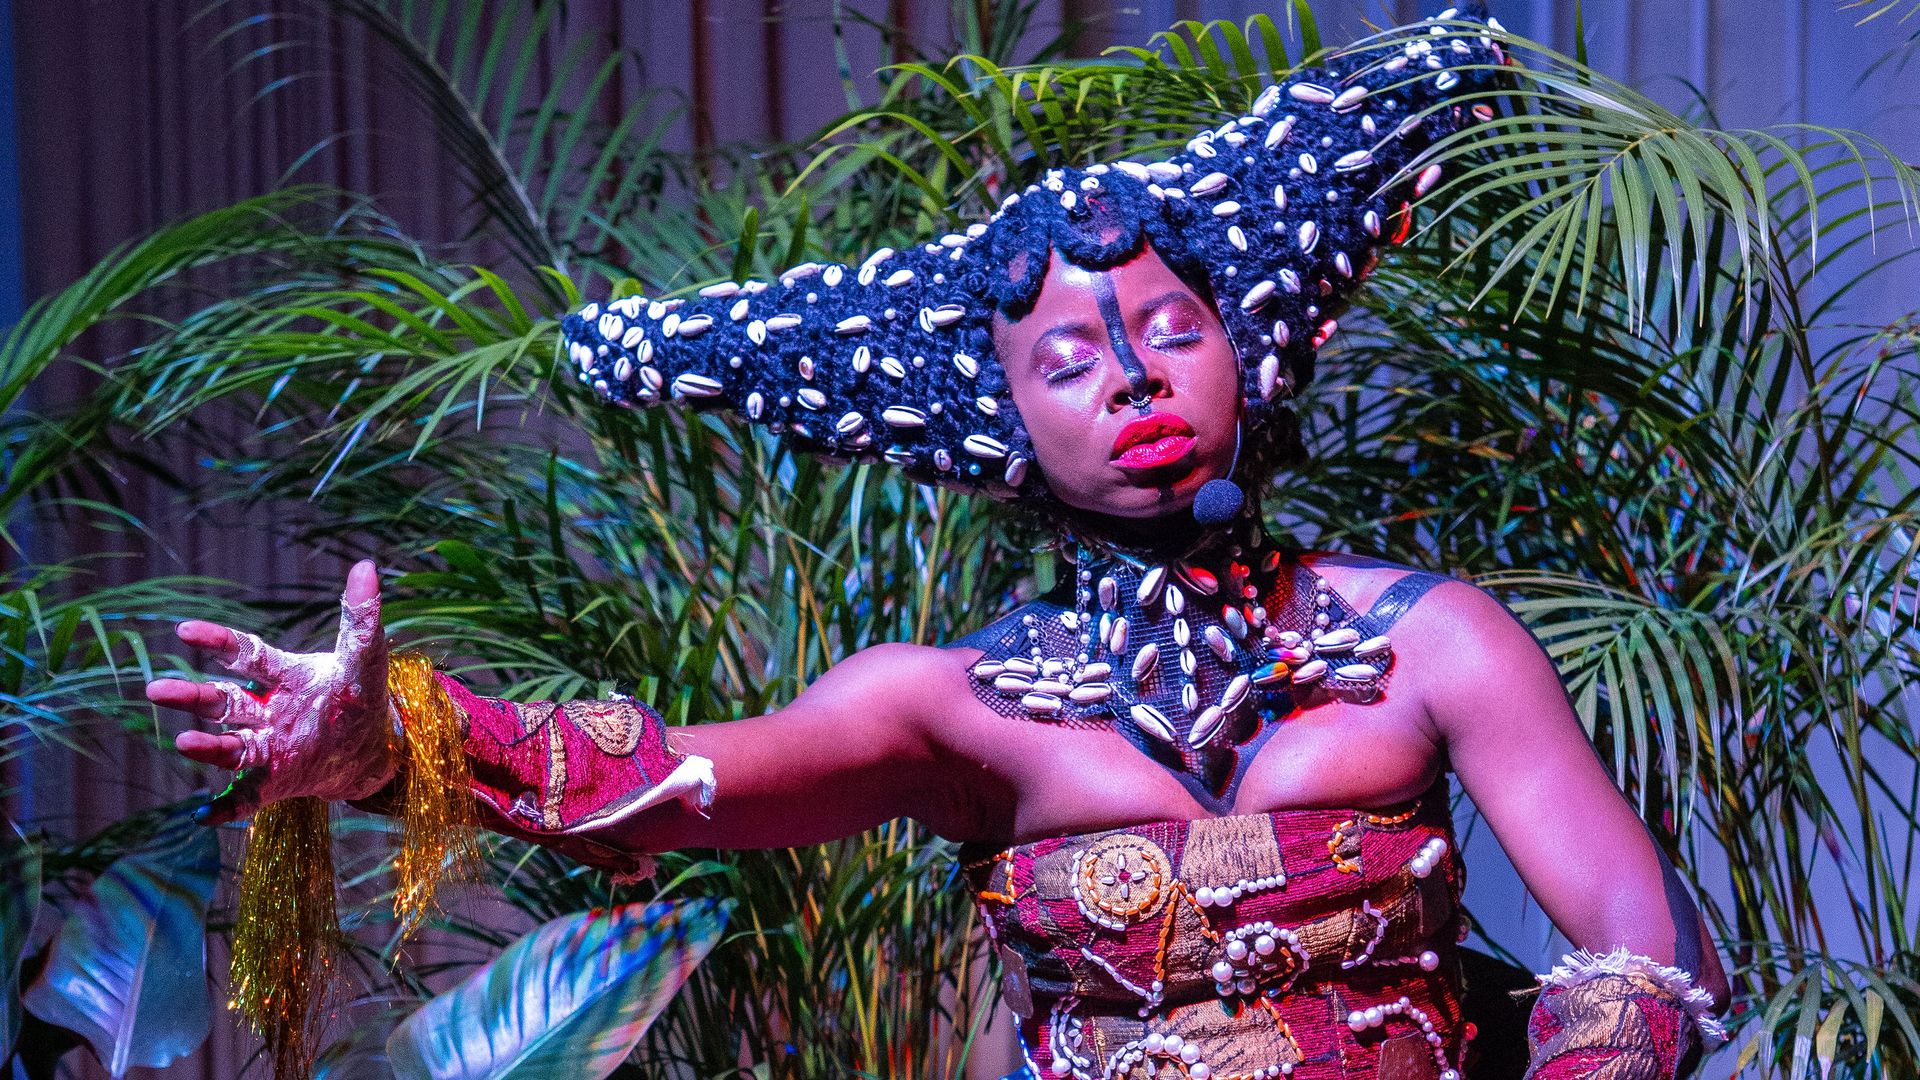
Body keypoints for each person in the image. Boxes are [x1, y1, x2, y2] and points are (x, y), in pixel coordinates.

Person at [148, 9, 1730, 1078]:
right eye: (1068, 362)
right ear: (1000, 421)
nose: (1132, 376)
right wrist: (380, 743)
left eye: (1173, 328)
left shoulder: (1433, 641)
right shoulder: (955, 704)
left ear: (1246, 350)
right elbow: (664, 783)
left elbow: (1643, 955)